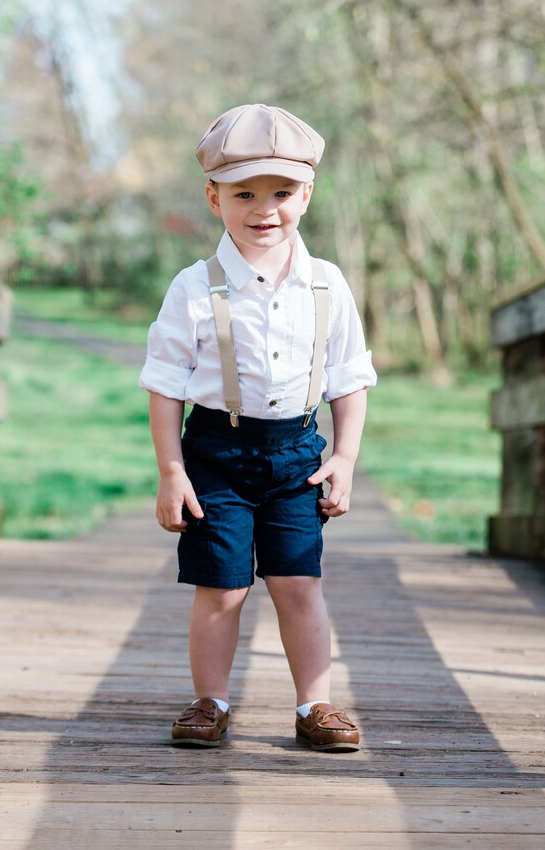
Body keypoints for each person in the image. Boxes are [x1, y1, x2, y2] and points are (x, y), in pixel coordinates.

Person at [139, 103, 376, 751]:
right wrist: (171, 471)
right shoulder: (194, 288)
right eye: (245, 193)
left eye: (281, 192)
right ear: (214, 198)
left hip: (297, 452)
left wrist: (345, 457)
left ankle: (315, 705)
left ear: (307, 194)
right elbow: (165, 387)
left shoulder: (327, 285)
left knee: (299, 581)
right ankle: (210, 701)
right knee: (222, 585)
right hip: (215, 452)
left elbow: (349, 379)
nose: (264, 208)